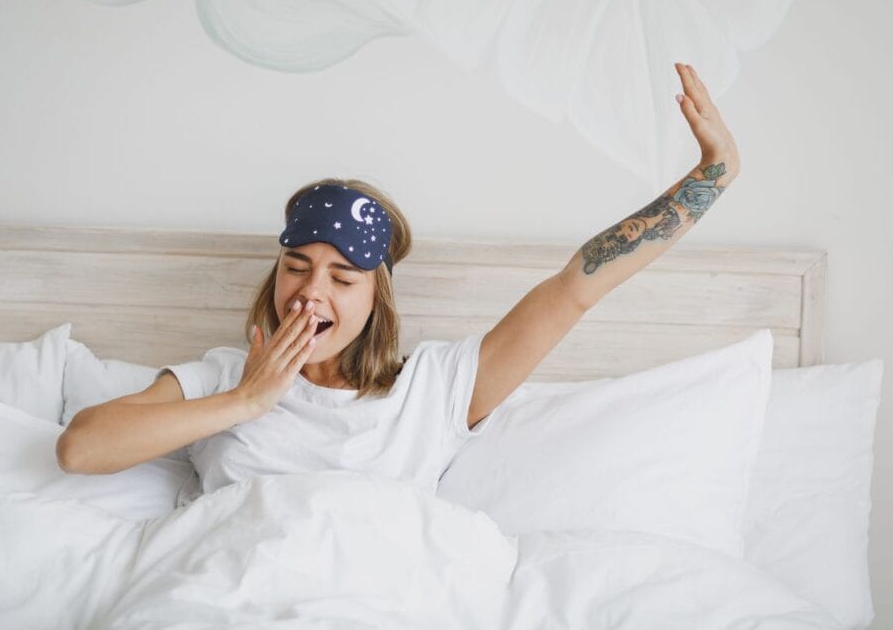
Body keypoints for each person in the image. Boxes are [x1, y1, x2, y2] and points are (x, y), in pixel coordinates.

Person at [56, 62, 739, 498]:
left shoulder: (434, 388)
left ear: (376, 298)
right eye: (295, 267)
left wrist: (711, 178)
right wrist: (245, 402)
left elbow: (574, 288)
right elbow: (80, 448)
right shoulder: (219, 378)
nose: (309, 293)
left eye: (341, 277)